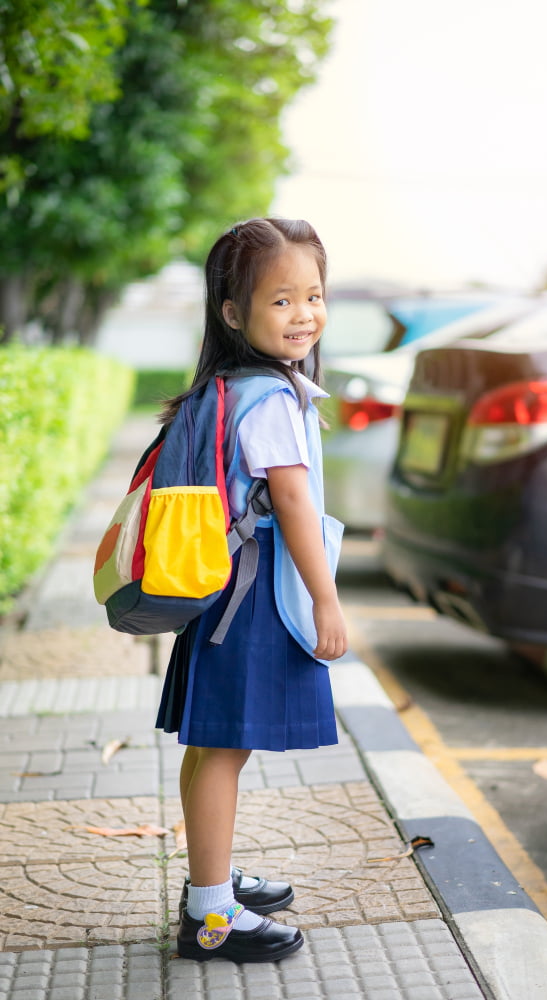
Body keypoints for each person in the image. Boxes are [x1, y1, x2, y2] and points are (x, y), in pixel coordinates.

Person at [156, 217, 348, 964]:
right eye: (281, 301)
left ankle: (209, 877)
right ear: (232, 314)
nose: (303, 314)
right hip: (253, 596)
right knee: (226, 748)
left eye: (314, 295)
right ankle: (211, 917)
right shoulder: (269, 400)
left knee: (210, 746)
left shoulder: (225, 387)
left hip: (217, 588)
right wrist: (325, 599)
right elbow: (293, 505)